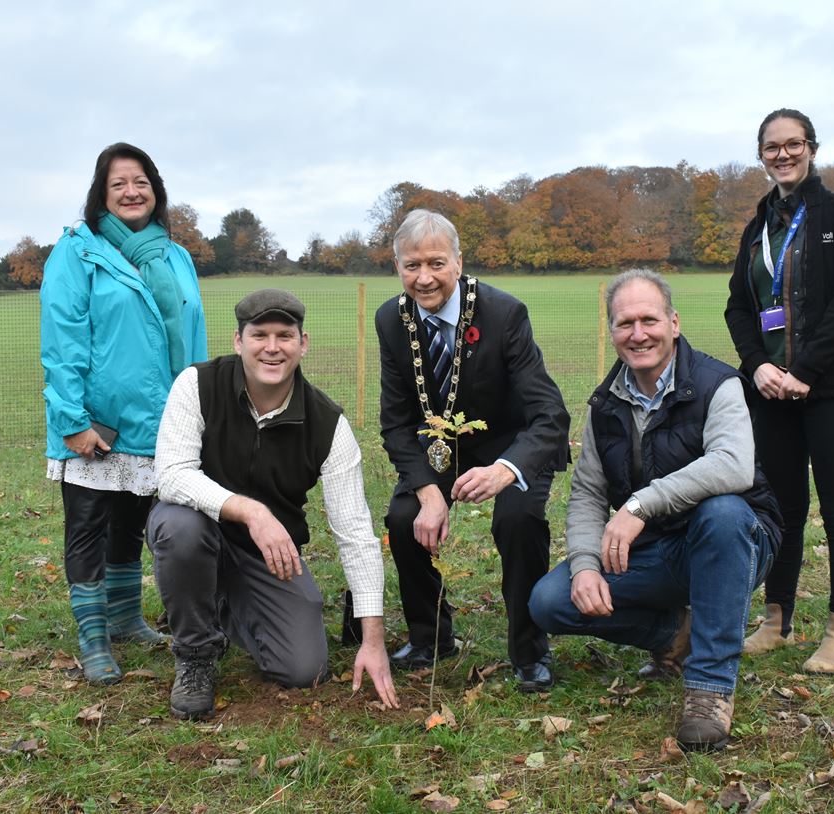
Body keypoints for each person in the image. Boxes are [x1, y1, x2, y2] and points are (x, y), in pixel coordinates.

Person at [528, 269, 781, 751]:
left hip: (735, 543)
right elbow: (585, 493)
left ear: (674, 323)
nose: (638, 333)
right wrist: (583, 566)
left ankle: (709, 689)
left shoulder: (719, 384)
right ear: (612, 332)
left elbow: (732, 466)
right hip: (658, 551)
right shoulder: (605, 405)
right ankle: (674, 634)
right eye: (625, 323)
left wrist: (640, 505)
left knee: (722, 512)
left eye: (649, 320)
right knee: (550, 600)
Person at [146, 289, 399, 720]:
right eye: (259, 334)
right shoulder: (197, 384)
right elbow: (171, 475)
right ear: (238, 341)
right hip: (198, 529)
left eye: (285, 335)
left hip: (266, 555)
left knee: (303, 668)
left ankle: (223, 607)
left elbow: (356, 532)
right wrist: (251, 510)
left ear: (303, 344)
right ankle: (195, 655)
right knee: (179, 526)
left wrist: (373, 641)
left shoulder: (328, 424)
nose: (272, 347)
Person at [374, 209, 570, 692]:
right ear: (397, 267)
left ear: (459, 263)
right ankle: (431, 638)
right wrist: (427, 491)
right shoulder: (390, 319)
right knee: (403, 519)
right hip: (440, 449)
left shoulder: (504, 313)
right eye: (412, 265)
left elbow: (550, 414)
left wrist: (507, 470)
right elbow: (397, 422)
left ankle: (529, 650)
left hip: (514, 443)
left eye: (436, 263)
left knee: (517, 520)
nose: (424, 278)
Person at [41, 142, 207, 685]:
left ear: (155, 189)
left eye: (140, 181)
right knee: (88, 522)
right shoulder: (78, 252)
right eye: (119, 184)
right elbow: (62, 339)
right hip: (98, 419)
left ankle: (126, 617)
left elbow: (194, 336)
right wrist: (72, 420)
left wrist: (200, 408)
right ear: (101, 194)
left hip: (160, 418)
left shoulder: (174, 255)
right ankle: (93, 636)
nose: (132, 192)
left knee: (132, 520)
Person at [724, 108, 834, 675]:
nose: (783, 155)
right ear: (760, 154)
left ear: (812, 147)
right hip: (771, 395)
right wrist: (758, 365)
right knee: (781, 512)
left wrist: (804, 369)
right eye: (771, 147)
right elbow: (740, 306)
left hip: (833, 390)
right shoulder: (757, 225)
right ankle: (776, 621)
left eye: (793, 144)